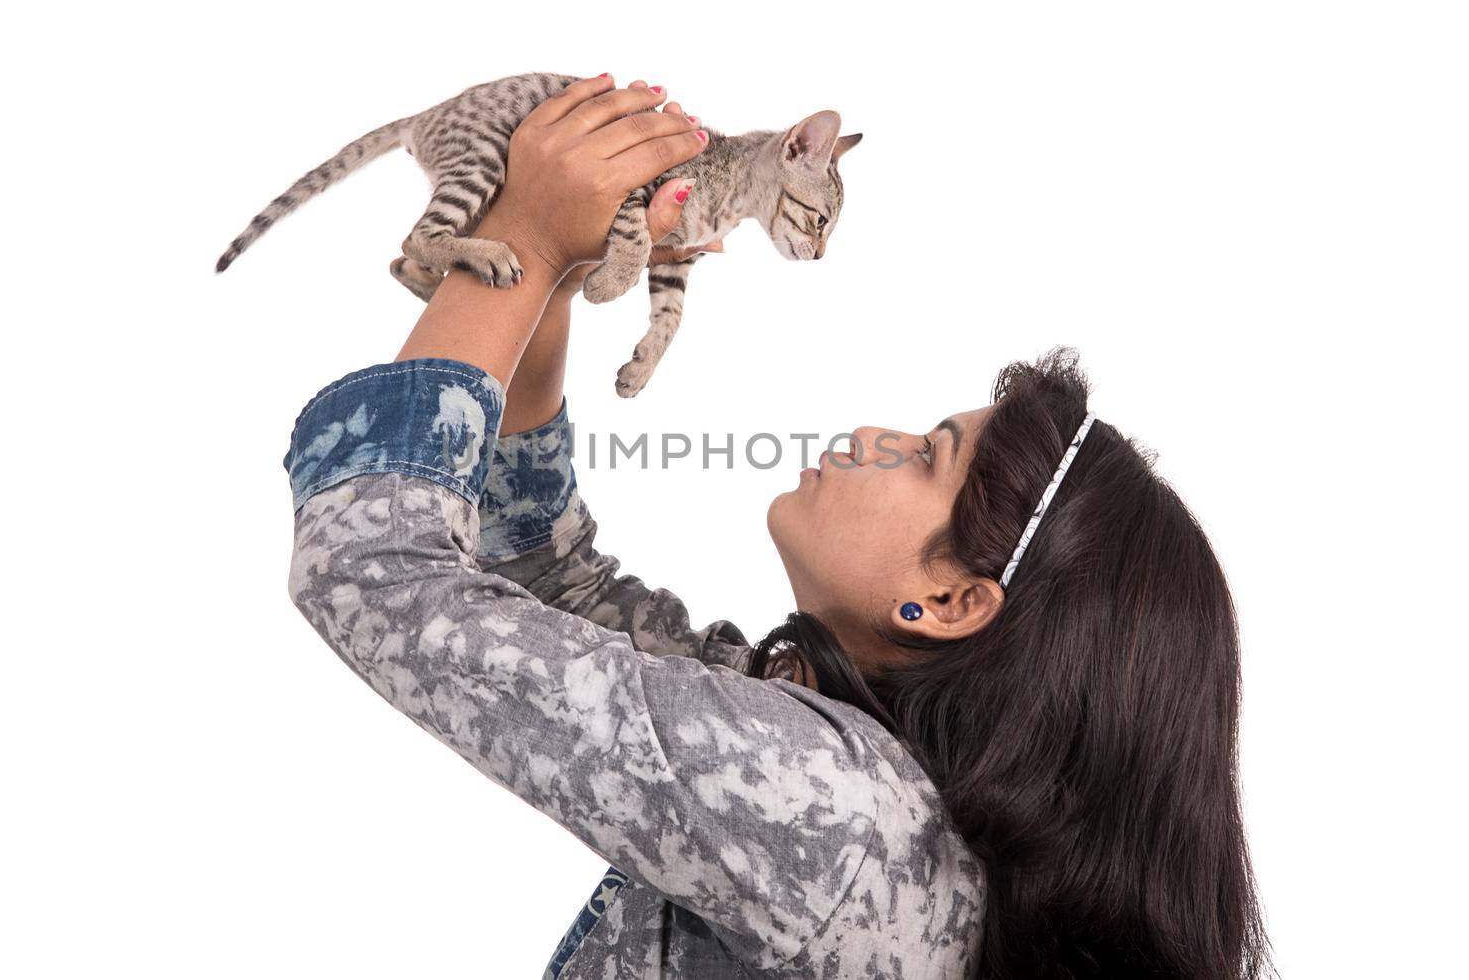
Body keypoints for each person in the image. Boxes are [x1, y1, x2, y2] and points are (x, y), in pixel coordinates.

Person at [283, 75, 1270, 978]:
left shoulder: (826, 809)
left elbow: (374, 569)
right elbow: (554, 581)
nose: (873, 436)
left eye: (926, 454)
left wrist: (525, 247)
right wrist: (549, 274)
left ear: (953, 602)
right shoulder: (878, 789)